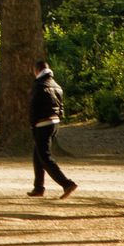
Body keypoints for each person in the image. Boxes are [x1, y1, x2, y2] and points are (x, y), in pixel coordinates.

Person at [29, 58, 77, 198]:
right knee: (37, 154)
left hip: (42, 123)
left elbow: (33, 107)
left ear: (37, 70)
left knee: (45, 157)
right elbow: (61, 106)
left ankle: (66, 183)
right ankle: (38, 187)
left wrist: (33, 125)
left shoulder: (38, 85)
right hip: (54, 122)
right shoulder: (56, 85)